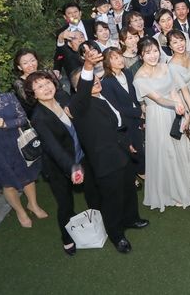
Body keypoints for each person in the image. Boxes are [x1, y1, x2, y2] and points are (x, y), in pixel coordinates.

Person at [68, 47, 149, 253]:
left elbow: (116, 125)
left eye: (96, 78)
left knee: (128, 190)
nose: (96, 81)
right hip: (105, 161)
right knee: (112, 200)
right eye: (89, 80)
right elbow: (85, 87)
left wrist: (127, 144)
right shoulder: (80, 106)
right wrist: (88, 65)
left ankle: (131, 219)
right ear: (78, 90)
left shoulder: (102, 96)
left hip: (122, 153)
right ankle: (117, 235)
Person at [28, 70, 98, 254]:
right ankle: (66, 238)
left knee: (93, 191)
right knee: (65, 204)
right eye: (39, 87)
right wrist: (73, 167)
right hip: (58, 168)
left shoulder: (63, 97)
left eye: (47, 83)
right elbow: (54, 148)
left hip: (81, 155)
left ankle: (99, 218)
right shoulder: (38, 118)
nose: (46, 88)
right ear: (33, 94)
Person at [133, 37, 190, 211]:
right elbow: (159, 99)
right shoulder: (139, 78)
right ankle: (169, 193)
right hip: (157, 117)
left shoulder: (166, 67)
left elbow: (173, 91)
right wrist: (175, 105)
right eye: (148, 53)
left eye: (155, 51)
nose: (153, 55)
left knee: (181, 150)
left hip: (175, 112)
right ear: (141, 55)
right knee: (166, 154)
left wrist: (185, 111)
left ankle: (184, 188)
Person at [0, 69, 47, 229]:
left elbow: (22, 118)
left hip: (17, 144)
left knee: (28, 176)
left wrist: (6, 124)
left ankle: (33, 204)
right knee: (8, 183)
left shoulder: (9, 97)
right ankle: (20, 212)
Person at [101, 48, 145, 178]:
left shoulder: (128, 73)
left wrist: (141, 113)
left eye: (120, 56)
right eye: (115, 58)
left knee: (144, 146)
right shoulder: (106, 82)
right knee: (136, 149)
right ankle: (140, 172)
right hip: (125, 121)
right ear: (107, 62)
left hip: (139, 116)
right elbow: (117, 107)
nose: (120, 59)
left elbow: (135, 96)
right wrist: (138, 113)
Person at [12, 47, 68, 118]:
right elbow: (31, 103)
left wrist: (64, 106)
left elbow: (59, 90)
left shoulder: (46, 72)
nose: (31, 65)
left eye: (32, 60)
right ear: (20, 67)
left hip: (60, 105)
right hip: (42, 115)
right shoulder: (19, 83)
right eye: (25, 63)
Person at [166, 30, 190, 127]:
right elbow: (184, 89)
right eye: (175, 42)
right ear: (170, 46)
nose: (179, 44)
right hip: (184, 99)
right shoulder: (171, 66)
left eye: (181, 40)